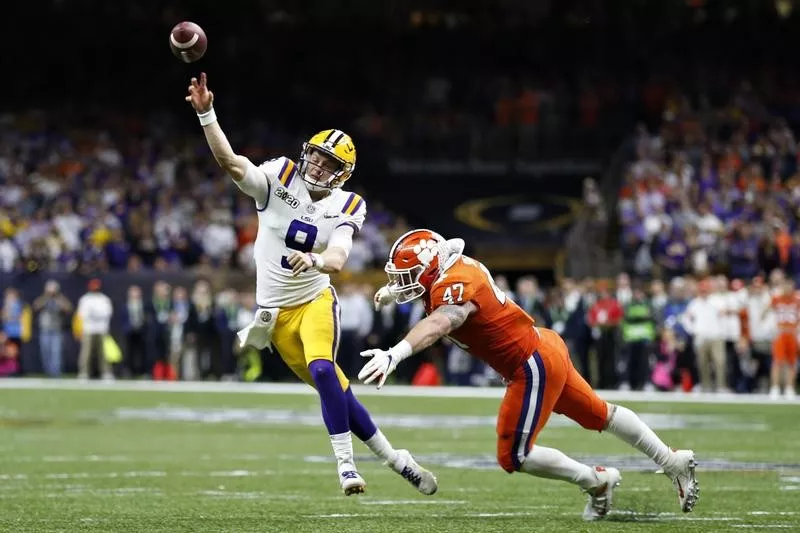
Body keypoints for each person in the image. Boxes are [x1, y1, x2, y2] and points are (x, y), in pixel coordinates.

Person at [184, 73, 437, 496]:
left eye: (329, 164)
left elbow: (338, 257)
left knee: (324, 369)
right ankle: (397, 459)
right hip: (274, 315)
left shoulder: (348, 204)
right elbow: (230, 161)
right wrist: (206, 112)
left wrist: (315, 259)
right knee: (337, 389)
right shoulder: (280, 174)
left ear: (343, 174)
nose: (318, 166)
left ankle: (346, 468)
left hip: (314, 299)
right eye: (317, 157)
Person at [361, 229, 699, 520]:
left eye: (405, 278)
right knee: (599, 413)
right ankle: (671, 460)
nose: (399, 285)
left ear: (429, 269)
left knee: (513, 455)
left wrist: (396, 353)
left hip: (529, 362)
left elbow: (441, 321)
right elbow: (435, 295)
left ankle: (595, 480)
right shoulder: (451, 268)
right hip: (543, 346)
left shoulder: (455, 283)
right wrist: (395, 290)